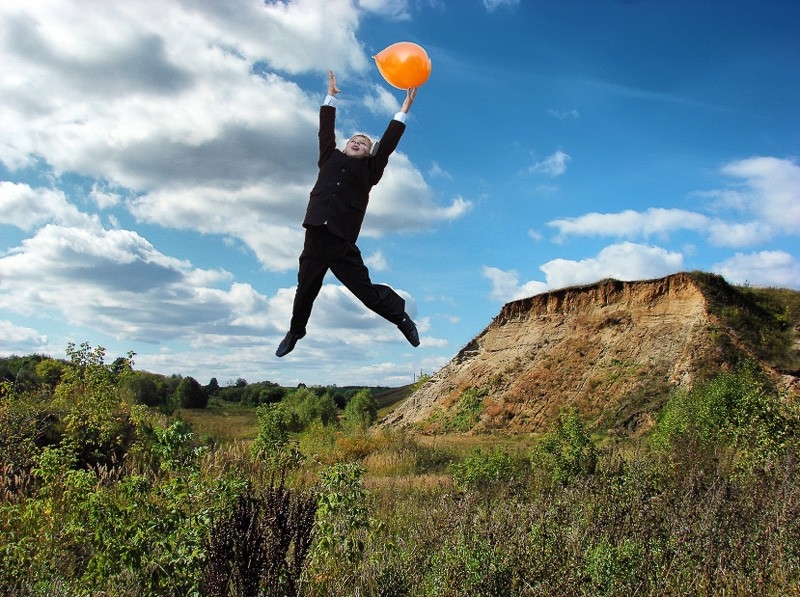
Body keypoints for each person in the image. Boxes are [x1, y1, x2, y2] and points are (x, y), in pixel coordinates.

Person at [276, 70, 420, 357]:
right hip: (316, 236)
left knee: (365, 292)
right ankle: (295, 332)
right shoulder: (328, 157)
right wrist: (330, 98)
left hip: (342, 242)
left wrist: (402, 111)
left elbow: (388, 145)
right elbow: (325, 131)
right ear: (344, 145)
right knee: (305, 290)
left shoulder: (370, 171)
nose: (357, 142)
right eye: (353, 139)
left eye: (363, 143)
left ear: (369, 153)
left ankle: (401, 317)